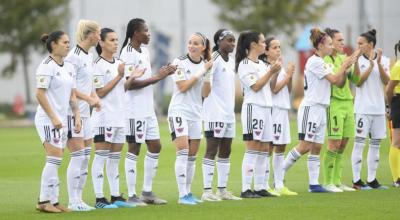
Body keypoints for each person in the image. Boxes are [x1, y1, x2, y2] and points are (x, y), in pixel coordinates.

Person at [283, 28, 357, 193]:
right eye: (329, 44)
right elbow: (333, 79)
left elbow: (338, 83)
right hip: (311, 108)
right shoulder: (314, 61)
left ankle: (314, 185)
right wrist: (344, 65)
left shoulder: (324, 62)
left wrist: (344, 68)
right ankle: (278, 175)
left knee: (316, 147)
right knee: (304, 146)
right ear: (321, 45)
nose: (332, 47)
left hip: (322, 108)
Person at [120, 18, 176, 206]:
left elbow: (147, 78)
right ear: (136, 33)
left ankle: (147, 192)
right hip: (133, 109)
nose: (148, 33)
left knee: (155, 146)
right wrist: (157, 78)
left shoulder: (143, 51)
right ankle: (132, 195)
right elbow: (130, 83)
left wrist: (163, 73)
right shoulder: (127, 53)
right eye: (145, 30)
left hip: (147, 108)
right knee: (134, 148)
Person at [91, 28, 145, 209]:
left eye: (116, 40)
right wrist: (119, 76)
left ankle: (115, 197)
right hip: (103, 118)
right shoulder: (97, 65)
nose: (115, 43)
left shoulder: (120, 62)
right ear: (102, 42)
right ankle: (99, 198)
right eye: (112, 40)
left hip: (119, 117)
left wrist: (131, 79)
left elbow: (122, 88)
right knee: (100, 157)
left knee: (115, 159)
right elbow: (100, 92)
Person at [35, 31, 80, 213]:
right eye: (64, 42)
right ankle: (44, 201)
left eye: (69, 42)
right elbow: (39, 93)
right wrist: (53, 117)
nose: (68, 45)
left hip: (62, 120)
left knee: (57, 160)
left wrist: (76, 114)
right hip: (48, 119)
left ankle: (54, 201)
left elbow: (72, 94)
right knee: (53, 159)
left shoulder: (68, 66)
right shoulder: (46, 66)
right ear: (53, 44)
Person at [168, 32, 212, 205]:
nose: (192, 46)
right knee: (183, 152)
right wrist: (202, 71)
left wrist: (208, 74)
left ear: (202, 47)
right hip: (179, 111)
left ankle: (188, 192)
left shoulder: (206, 65)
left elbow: (205, 93)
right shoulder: (178, 62)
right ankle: (182, 195)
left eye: (196, 43)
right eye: (190, 42)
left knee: (192, 156)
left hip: (196, 113)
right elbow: (183, 87)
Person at [236, 31, 280, 198]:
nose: (264, 44)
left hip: (267, 108)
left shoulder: (262, 64)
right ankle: (246, 188)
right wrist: (270, 72)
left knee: (264, 148)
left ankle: (261, 186)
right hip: (253, 109)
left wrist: (275, 71)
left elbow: (271, 87)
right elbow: (255, 86)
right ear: (253, 45)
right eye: (262, 42)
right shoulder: (245, 64)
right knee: (253, 147)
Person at [201, 29, 241, 201]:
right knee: (211, 150)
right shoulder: (214, 59)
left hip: (228, 113)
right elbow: (205, 86)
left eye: (234, 41)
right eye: (229, 40)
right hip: (214, 113)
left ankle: (222, 190)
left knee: (226, 150)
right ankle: (207, 191)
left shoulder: (231, 61)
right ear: (219, 41)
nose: (232, 43)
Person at [65, 19, 101, 211]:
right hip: (72, 112)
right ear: (90, 34)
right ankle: (72, 201)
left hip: (85, 113)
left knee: (86, 157)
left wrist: (95, 100)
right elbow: (70, 87)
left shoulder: (89, 54)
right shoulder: (73, 56)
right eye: (98, 32)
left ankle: (79, 199)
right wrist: (88, 99)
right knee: (78, 156)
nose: (100, 36)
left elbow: (90, 84)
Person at [351, 29, 390, 190]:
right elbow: (357, 82)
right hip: (363, 109)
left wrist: (379, 63)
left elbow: (386, 80)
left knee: (376, 144)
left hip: (379, 109)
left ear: (371, 44)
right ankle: (356, 180)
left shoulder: (385, 59)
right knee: (359, 143)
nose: (358, 46)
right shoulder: (357, 60)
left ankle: (372, 180)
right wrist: (369, 67)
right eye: (357, 43)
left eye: (361, 43)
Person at [322, 28, 359, 192]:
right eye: (339, 40)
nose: (342, 43)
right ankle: (327, 181)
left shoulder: (345, 58)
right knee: (334, 143)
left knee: (343, 144)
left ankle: (337, 181)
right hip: (334, 103)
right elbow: (337, 82)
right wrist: (344, 66)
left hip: (348, 103)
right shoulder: (326, 60)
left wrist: (355, 62)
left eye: (343, 40)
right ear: (330, 43)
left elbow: (356, 80)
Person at [261, 37, 297, 196]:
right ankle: (265, 184)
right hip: (273, 110)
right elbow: (273, 90)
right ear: (266, 51)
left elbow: (287, 90)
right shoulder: (266, 67)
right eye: (274, 47)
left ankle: (279, 184)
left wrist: (290, 75)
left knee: (281, 146)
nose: (278, 50)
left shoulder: (279, 66)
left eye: (279, 47)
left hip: (283, 109)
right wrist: (288, 76)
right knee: (270, 146)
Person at [386, 40, 400, 187]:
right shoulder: (398, 66)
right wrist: (390, 107)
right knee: (397, 141)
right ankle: (397, 178)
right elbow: (389, 90)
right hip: (398, 103)